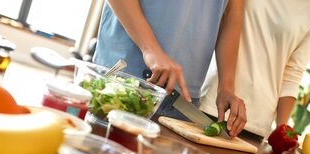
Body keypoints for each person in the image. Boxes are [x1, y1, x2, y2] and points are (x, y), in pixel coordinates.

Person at [93, 0, 247, 137]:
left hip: (182, 100)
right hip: (124, 80)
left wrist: (226, 87)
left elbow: (232, 13)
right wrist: (150, 49)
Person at [200, 0, 310, 138]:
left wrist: (282, 130)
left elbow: (293, 72)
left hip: (258, 122)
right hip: (217, 102)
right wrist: (225, 88)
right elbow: (226, 18)